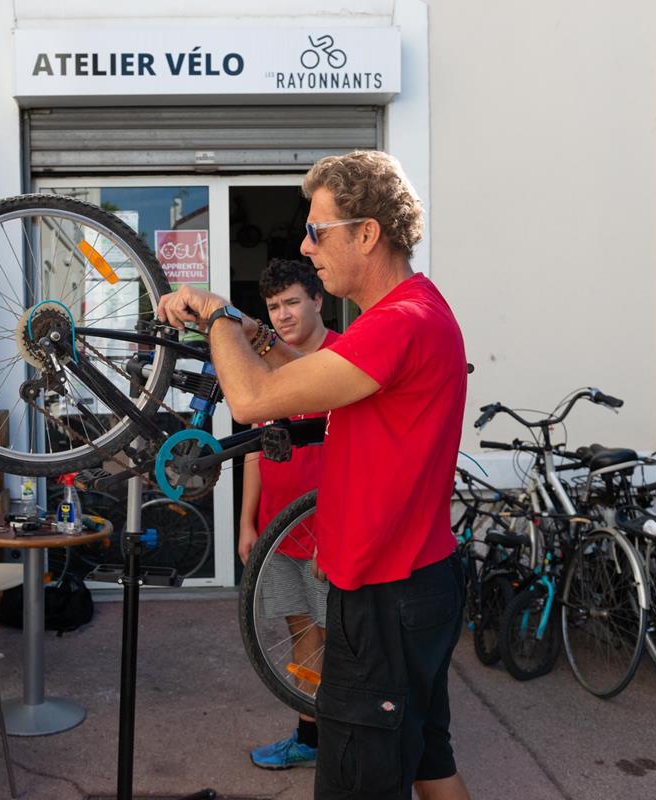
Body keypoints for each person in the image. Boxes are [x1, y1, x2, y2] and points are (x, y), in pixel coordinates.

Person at [158, 151, 470, 800]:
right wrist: (249, 331)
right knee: (429, 768)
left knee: (355, 782)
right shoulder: (409, 313)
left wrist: (217, 312)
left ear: (366, 233)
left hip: (383, 594)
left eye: (318, 230)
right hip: (417, 584)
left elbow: (249, 398)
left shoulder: (396, 325)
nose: (305, 245)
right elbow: (286, 369)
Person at [238, 258, 338, 770]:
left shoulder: (342, 359)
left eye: (292, 302)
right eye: (274, 307)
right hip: (280, 531)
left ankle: (349, 745)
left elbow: (356, 458)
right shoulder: (266, 368)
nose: (283, 315)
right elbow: (257, 448)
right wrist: (247, 523)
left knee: (341, 638)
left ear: (318, 300)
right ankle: (309, 737)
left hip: (330, 532)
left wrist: (335, 533)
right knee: (301, 633)